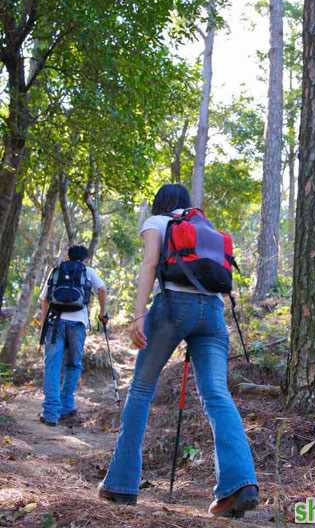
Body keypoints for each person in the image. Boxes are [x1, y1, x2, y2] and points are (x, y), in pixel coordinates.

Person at [98, 184, 259, 518]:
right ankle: (240, 484)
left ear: (160, 204)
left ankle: (121, 484)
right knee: (217, 394)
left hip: (172, 307)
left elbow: (150, 265)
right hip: (213, 313)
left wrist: (138, 315)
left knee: (141, 390)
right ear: (188, 205)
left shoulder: (157, 222)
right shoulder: (206, 228)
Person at [39, 245, 107, 426]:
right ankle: (66, 406)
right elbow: (102, 289)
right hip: (78, 324)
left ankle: (50, 414)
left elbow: (44, 300)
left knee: (52, 366)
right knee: (73, 365)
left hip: (55, 322)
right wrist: (102, 312)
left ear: (68, 256)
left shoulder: (56, 271)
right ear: (85, 258)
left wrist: (43, 325)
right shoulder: (88, 271)